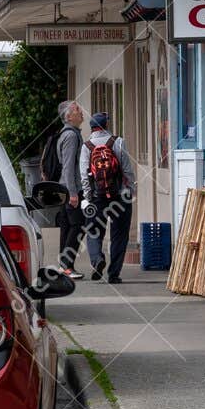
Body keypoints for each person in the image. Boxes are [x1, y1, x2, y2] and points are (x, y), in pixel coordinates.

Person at [80, 109, 136, 284]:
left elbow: (84, 176)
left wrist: (88, 197)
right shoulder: (118, 142)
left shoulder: (86, 146)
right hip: (120, 196)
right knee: (120, 234)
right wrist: (131, 190)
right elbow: (127, 170)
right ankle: (114, 274)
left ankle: (97, 260)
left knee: (94, 231)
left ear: (91, 128)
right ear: (106, 125)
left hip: (97, 197)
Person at [50, 100, 86, 279]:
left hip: (63, 187)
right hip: (70, 188)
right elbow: (69, 166)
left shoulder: (67, 134)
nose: (81, 112)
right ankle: (67, 266)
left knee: (66, 226)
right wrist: (73, 193)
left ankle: (64, 265)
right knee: (78, 225)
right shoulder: (71, 136)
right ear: (69, 116)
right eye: (77, 109)